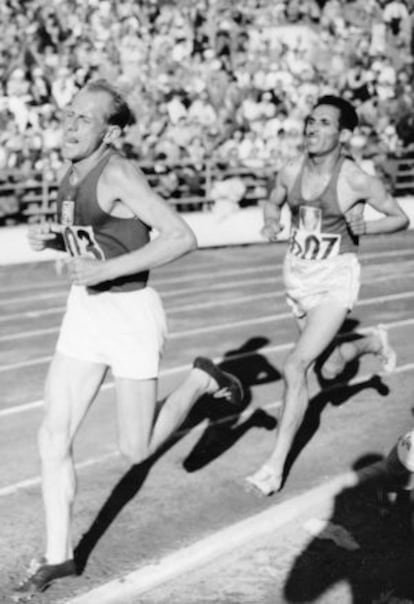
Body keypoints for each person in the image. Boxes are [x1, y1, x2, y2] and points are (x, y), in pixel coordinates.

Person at [14, 79, 243, 596]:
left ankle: (200, 383)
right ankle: (59, 555)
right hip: (85, 315)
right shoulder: (68, 172)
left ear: (111, 130)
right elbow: (100, 233)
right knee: (53, 436)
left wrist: (101, 271)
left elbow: (182, 236)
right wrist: (52, 238)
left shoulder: (118, 171)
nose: (70, 127)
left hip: (130, 317)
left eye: (84, 120)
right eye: (69, 116)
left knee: (135, 450)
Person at [246, 95, 409, 497]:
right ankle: (373, 341)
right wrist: (271, 221)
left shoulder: (355, 180)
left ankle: (273, 466)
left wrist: (365, 228)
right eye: (309, 121)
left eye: (323, 123)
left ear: (344, 134)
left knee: (295, 365)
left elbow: (400, 218)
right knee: (331, 367)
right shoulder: (291, 170)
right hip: (299, 277)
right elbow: (273, 200)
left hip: (337, 277)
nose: (312, 129)